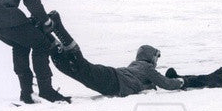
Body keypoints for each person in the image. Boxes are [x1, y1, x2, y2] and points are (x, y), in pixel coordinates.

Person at [45, 11, 184, 97]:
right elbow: (166, 83)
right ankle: (58, 27)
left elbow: (145, 83)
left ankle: (48, 38)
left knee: (72, 69)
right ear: (149, 57)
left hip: (110, 79)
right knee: (80, 66)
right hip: (113, 81)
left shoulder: (136, 67)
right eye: (155, 56)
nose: (156, 61)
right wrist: (180, 82)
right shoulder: (147, 68)